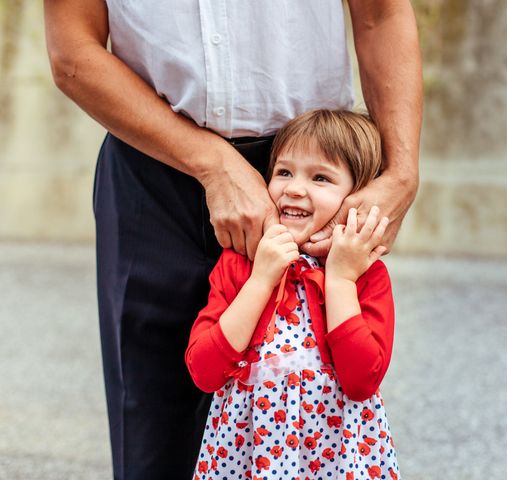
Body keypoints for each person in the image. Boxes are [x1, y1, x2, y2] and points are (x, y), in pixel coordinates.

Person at [44, 1, 422, 478]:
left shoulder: (322, 222)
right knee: (149, 434)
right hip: (151, 167)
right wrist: (212, 162)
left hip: (306, 152)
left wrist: (401, 175)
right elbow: (73, 52)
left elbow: (380, 14)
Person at [187, 109, 399, 479]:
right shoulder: (241, 263)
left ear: (355, 196)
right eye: (284, 172)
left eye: (320, 177)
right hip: (252, 457)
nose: (295, 188)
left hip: (337, 459)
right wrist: (261, 280)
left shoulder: (366, 274)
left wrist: (340, 279)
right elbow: (205, 372)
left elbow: (361, 380)